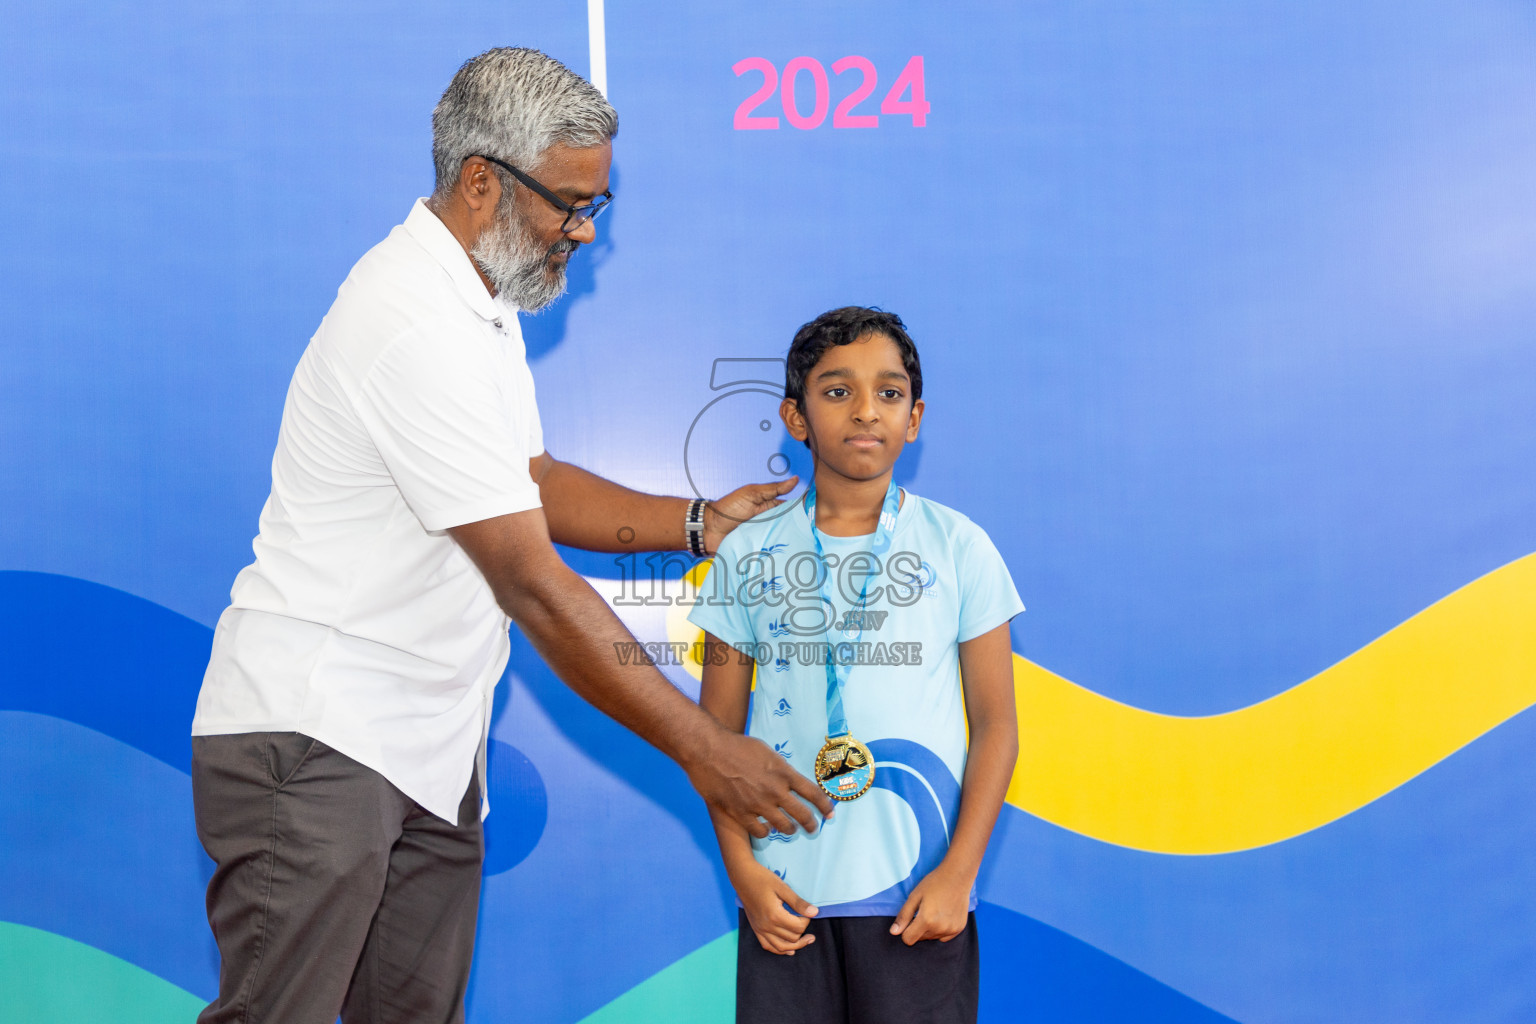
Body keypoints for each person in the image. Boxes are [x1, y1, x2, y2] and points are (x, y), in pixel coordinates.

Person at [188, 48, 831, 1024]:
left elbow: (526, 482)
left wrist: (699, 522)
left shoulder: (480, 302)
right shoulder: (412, 321)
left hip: (428, 757)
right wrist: (705, 748)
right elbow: (530, 583)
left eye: (594, 207)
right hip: (319, 742)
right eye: (569, 204)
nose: (582, 231)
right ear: (482, 180)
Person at [689, 307, 1023, 1024]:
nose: (866, 410)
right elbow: (712, 738)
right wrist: (743, 873)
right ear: (796, 417)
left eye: (890, 392)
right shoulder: (746, 554)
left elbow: (997, 725)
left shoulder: (959, 546)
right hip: (786, 903)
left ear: (916, 415)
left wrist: (958, 872)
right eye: (837, 391)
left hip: (916, 899)